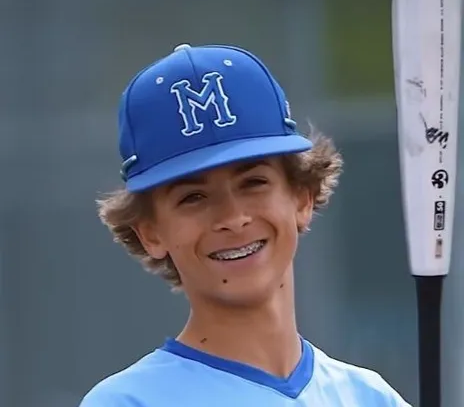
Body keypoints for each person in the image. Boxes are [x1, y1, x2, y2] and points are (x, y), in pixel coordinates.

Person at [79, 43, 412, 406]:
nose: (233, 218)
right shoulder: (128, 402)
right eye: (193, 197)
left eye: (253, 183)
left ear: (302, 196)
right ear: (150, 233)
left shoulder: (368, 397)